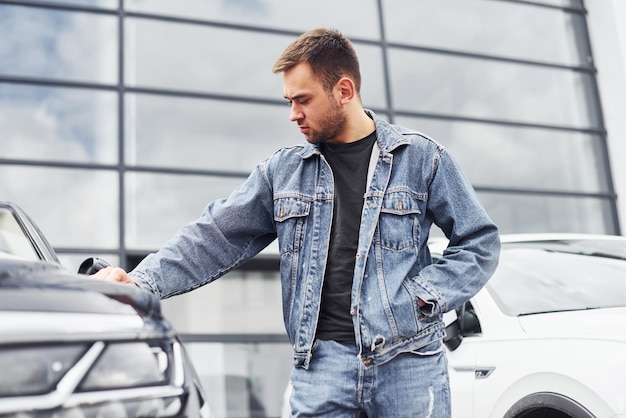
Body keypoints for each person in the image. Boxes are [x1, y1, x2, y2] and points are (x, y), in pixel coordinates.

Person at [94, 28, 500, 417]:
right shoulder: (282, 173)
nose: (293, 114)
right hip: (321, 366)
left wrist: (420, 297)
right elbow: (213, 235)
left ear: (344, 90)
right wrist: (142, 281)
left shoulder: (421, 159)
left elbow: (478, 242)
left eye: (302, 100)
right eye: (289, 101)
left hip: (408, 361)